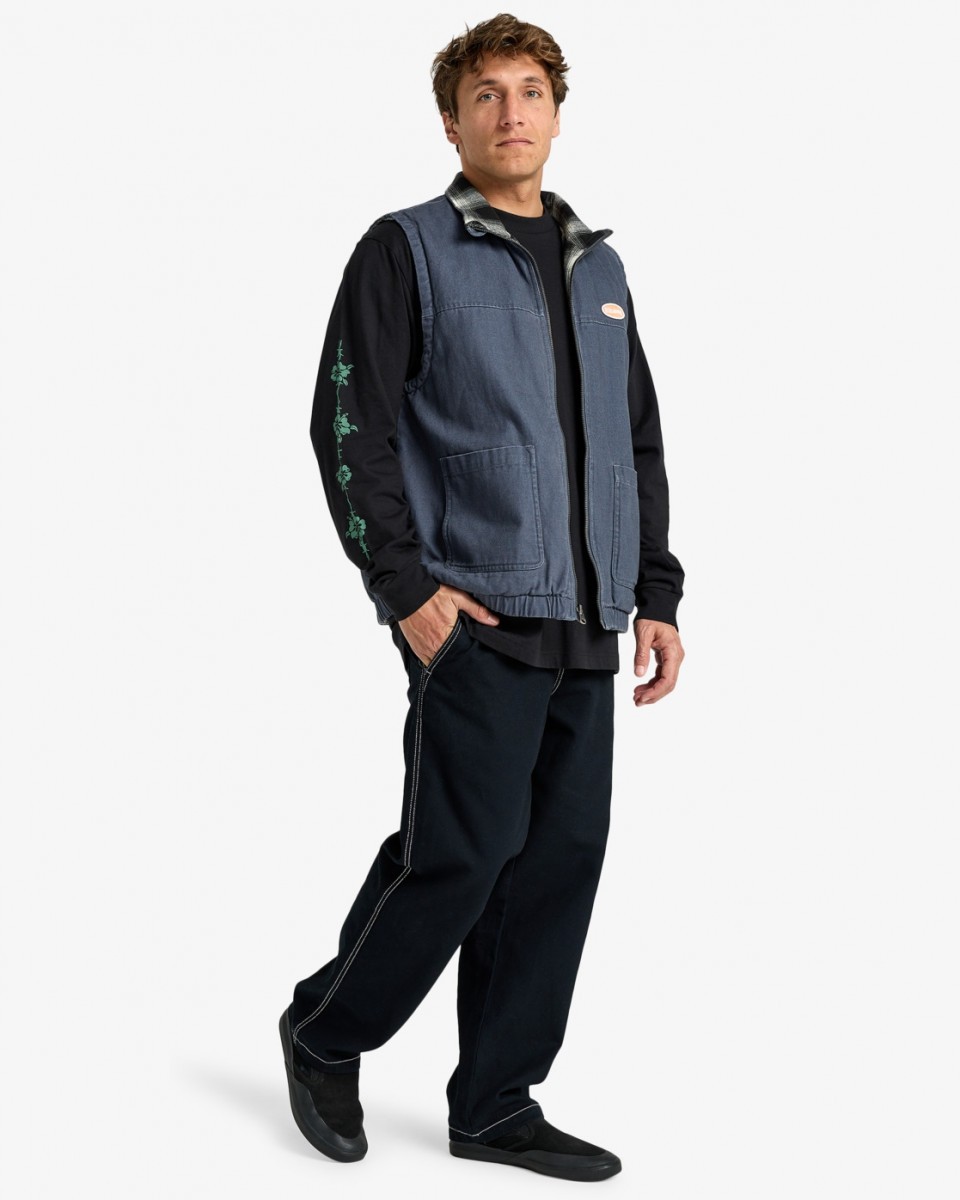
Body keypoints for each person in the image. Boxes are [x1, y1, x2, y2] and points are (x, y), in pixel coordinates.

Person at [279, 12, 685, 1182]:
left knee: (558, 860)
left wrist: (655, 590)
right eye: (487, 95)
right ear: (452, 123)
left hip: (589, 615)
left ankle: (496, 1103)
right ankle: (325, 1033)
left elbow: (636, 443)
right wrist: (405, 589)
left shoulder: (600, 267)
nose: (512, 112)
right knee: (462, 853)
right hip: (476, 611)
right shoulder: (405, 249)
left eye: (531, 92)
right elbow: (348, 425)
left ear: (557, 113)